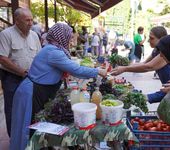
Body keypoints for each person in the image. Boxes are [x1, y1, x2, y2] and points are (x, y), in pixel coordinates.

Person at [9, 23, 107, 150]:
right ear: (61, 36)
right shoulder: (53, 52)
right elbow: (75, 70)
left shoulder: (53, 49)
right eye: (69, 37)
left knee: (33, 125)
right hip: (31, 92)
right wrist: (97, 71)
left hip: (37, 90)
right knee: (28, 127)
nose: (71, 40)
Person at [0, 8, 41, 137]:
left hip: (31, 78)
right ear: (17, 21)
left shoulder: (34, 35)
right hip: (12, 78)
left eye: (31, 20)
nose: (30, 23)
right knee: (13, 109)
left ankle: (29, 136)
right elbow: (2, 58)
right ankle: (14, 138)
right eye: (27, 20)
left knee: (31, 107)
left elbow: (39, 56)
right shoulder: (6, 34)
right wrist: (22, 72)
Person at [111, 26, 170, 103]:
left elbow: (148, 67)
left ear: (162, 39)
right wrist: (124, 66)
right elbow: (144, 63)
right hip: (167, 89)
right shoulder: (156, 50)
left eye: (151, 38)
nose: (148, 40)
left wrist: (124, 69)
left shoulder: (165, 53)